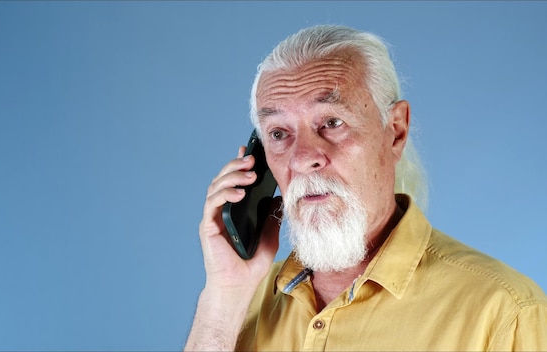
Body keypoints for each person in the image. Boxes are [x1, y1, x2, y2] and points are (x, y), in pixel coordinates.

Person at [184, 25, 547, 351]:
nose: (302, 158)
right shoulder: (237, 308)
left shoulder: (506, 312)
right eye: (278, 134)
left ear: (396, 130)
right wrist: (224, 296)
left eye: (332, 122)